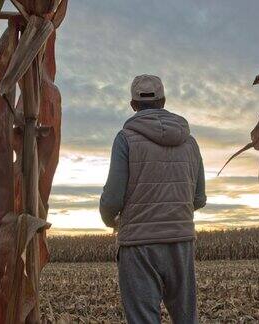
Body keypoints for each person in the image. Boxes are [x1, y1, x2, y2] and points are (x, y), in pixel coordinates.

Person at [100, 74, 207, 324]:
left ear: (133, 105)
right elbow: (199, 198)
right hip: (181, 242)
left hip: (138, 245)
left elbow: (112, 199)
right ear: (163, 101)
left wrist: (110, 219)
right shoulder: (190, 142)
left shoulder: (125, 139)